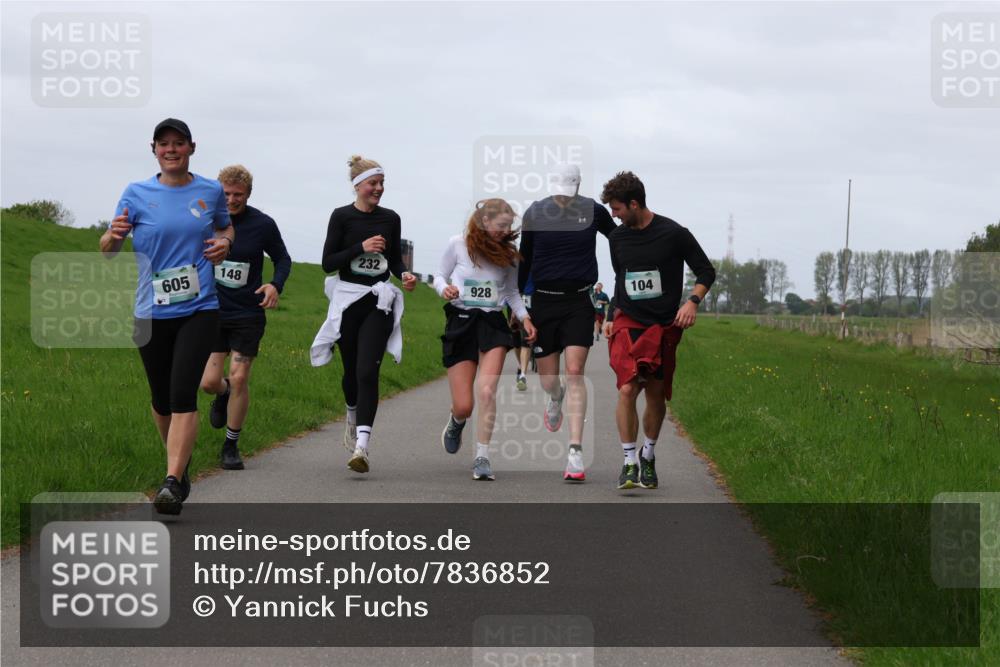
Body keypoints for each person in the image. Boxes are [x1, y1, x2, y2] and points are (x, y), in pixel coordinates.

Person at [100, 118, 234, 515]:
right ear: (154, 149)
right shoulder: (136, 193)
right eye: (164, 144)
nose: (171, 150)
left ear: (192, 147)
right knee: (161, 401)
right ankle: (180, 464)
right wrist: (114, 236)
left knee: (181, 395)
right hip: (149, 311)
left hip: (199, 307)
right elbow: (107, 249)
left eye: (179, 143)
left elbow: (227, 231)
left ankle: (172, 481)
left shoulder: (210, 191)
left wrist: (224, 244)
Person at [600, 171, 715, 490]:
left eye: (617, 209)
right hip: (628, 322)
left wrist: (692, 302)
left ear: (634, 204)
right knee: (627, 387)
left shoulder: (674, 233)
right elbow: (620, 278)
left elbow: (706, 270)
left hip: (663, 325)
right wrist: (611, 313)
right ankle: (628, 462)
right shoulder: (617, 238)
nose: (614, 215)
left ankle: (648, 455)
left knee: (654, 392)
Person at [310, 156, 417, 474]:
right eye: (373, 183)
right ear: (358, 185)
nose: (379, 189)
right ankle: (352, 412)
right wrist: (361, 246)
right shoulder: (341, 217)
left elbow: (395, 260)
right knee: (352, 375)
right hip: (347, 303)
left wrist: (406, 275)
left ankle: (362, 447)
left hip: (377, 302)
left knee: (368, 372)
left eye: (382, 183)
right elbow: (329, 262)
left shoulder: (391, 218)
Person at [518, 163, 616, 481]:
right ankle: (555, 397)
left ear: (577, 187)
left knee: (575, 371)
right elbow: (525, 258)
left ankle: (575, 451)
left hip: (578, 300)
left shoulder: (593, 211)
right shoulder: (535, 212)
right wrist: (519, 306)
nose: (563, 200)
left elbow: (618, 238)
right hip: (544, 301)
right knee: (549, 380)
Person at [435, 199, 537, 480]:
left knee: (488, 390)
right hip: (461, 322)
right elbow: (439, 276)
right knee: (465, 405)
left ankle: (482, 456)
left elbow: (512, 292)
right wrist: (445, 289)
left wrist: (525, 317)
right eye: (500, 226)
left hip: (493, 324)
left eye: (508, 226)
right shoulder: (458, 244)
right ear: (484, 222)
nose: (505, 231)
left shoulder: (509, 255)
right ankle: (457, 421)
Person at [200, 165, 291, 470]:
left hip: (248, 314)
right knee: (209, 383)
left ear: (248, 195)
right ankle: (222, 394)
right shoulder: (205, 221)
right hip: (212, 312)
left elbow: (282, 258)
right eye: (225, 193)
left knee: (240, 377)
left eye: (238, 194)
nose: (231, 199)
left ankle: (230, 445)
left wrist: (274, 284)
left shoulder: (262, 224)